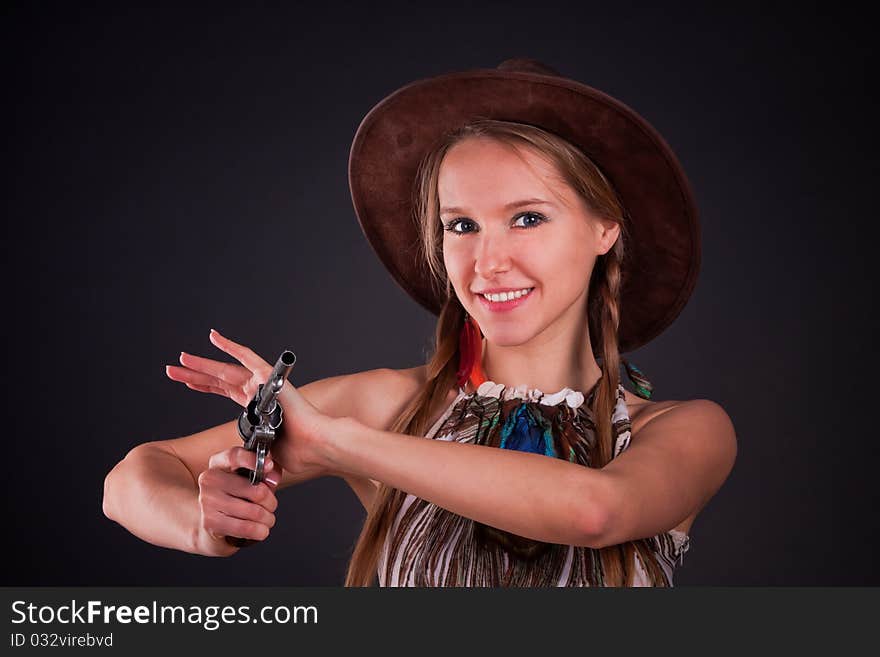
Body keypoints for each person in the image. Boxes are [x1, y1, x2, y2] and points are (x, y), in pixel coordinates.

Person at [103, 58, 737, 587]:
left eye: (527, 218)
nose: (488, 261)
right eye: (461, 225)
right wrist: (205, 525)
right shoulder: (387, 405)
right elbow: (133, 476)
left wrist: (338, 443)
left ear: (605, 229)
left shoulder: (685, 431)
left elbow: (597, 510)